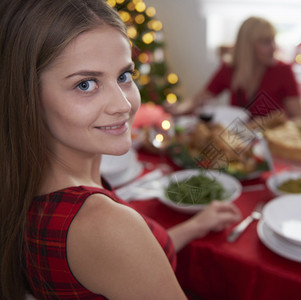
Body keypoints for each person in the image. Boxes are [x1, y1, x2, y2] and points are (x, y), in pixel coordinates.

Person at [0, 1, 241, 299]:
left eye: (124, 76)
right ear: (27, 98)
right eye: (86, 84)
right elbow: (120, 248)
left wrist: (195, 227)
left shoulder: (27, 184)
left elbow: (122, 263)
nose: (123, 105)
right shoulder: (105, 225)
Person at [167, 16, 301, 121]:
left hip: (270, 144)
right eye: (266, 42)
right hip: (238, 142)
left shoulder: (283, 71)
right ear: (248, 46)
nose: (274, 47)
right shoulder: (230, 69)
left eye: (273, 40)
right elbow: (200, 98)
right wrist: (178, 108)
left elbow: (299, 119)